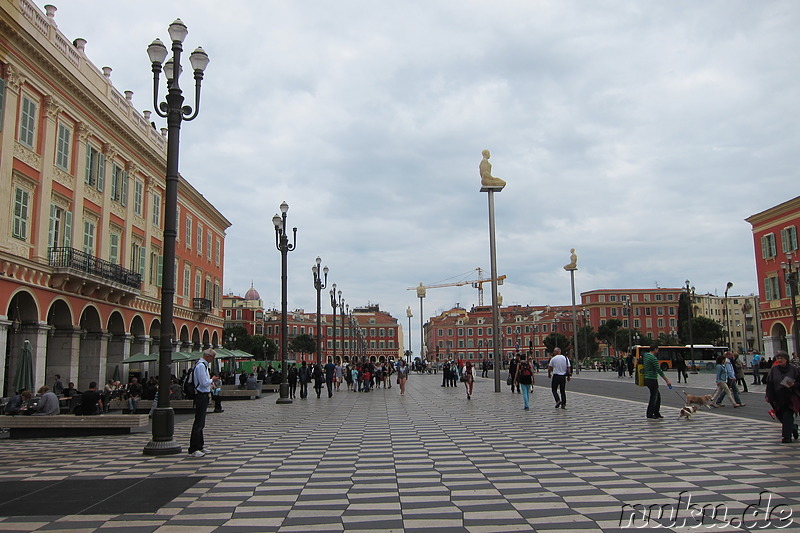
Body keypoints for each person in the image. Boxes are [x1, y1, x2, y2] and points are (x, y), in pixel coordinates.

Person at [764, 351, 800, 443]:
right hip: (777, 396)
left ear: (786, 359)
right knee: (780, 415)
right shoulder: (774, 369)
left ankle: (786, 437)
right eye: (778, 358)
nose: (779, 360)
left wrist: (794, 385)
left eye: (781, 358)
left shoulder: (794, 369)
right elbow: (770, 383)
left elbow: (798, 382)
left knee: (787, 415)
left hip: (790, 396)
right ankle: (793, 427)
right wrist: (768, 395)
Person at [188, 348, 215, 457]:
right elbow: (204, 383)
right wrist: (212, 380)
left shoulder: (203, 365)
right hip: (200, 395)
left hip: (203, 395)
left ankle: (200, 446)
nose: (212, 360)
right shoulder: (200, 366)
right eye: (213, 357)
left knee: (201, 422)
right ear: (208, 356)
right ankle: (193, 449)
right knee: (198, 423)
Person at [642, 346, 671, 419]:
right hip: (652, 378)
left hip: (647, 378)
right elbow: (659, 370)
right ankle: (650, 413)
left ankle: (656, 412)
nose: (658, 351)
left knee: (657, 397)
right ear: (654, 349)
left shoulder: (645, 356)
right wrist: (667, 380)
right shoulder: (653, 358)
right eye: (657, 350)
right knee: (654, 397)